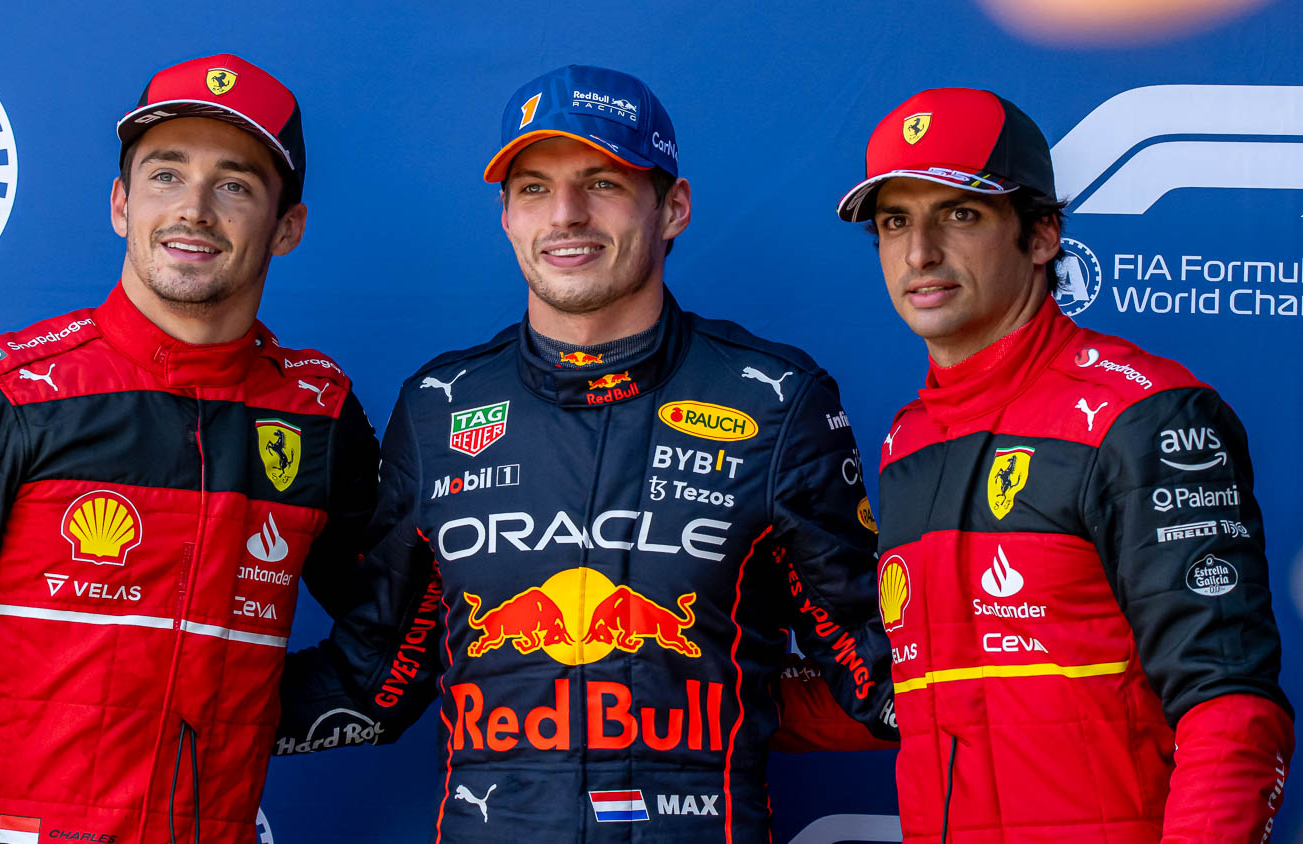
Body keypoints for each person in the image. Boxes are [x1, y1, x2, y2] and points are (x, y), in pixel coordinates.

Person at [276, 64, 896, 842]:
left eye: (601, 182)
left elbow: (871, 658)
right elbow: (378, 680)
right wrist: (153, 697)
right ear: (506, 216)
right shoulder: (440, 406)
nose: (565, 214)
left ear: (673, 208)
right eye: (533, 188)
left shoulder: (775, 397)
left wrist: (1048, 699)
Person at [0, 54, 379, 844]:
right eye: (165, 175)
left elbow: (413, 622)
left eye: (234, 184)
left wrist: (245, 710)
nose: (193, 209)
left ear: (286, 227)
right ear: (121, 203)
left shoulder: (315, 412)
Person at [838, 87, 1294, 841]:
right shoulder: (909, 443)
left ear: (1044, 234)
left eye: (960, 213)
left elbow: (1231, 707)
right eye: (895, 222)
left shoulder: (1143, 416)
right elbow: (924, 695)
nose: (919, 252)